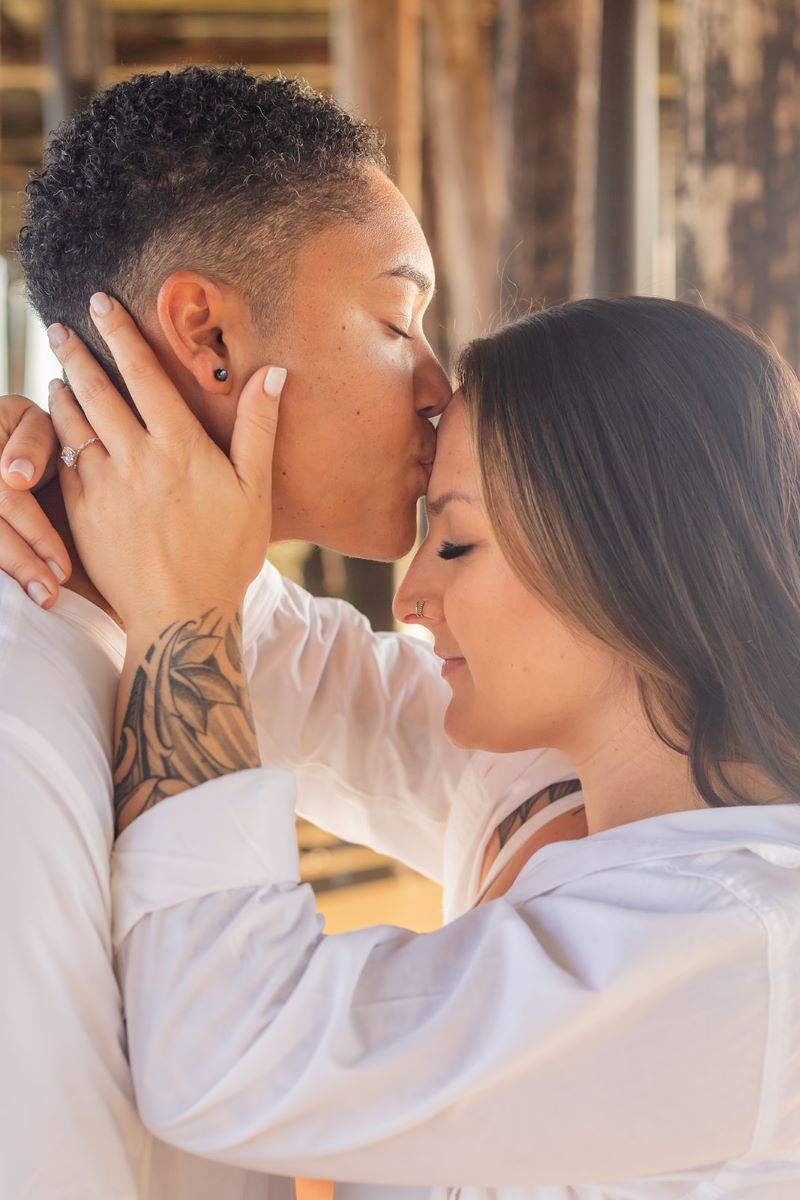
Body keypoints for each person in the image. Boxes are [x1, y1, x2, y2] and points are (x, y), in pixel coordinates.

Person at [25, 289, 800, 1197]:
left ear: (629, 553)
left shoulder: (743, 956)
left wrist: (183, 613)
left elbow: (231, 1057)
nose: (410, 598)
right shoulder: (551, 781)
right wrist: (68, 475)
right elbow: (300, 666)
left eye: (456, 542)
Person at [0, 67, 578, 1196]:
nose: (432, 387)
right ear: (207, 335)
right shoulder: (20, 717)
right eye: (394, 318)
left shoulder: (191, 628)